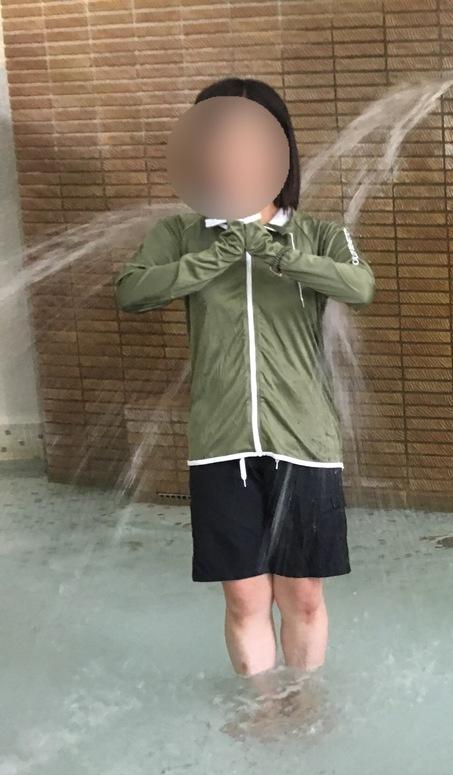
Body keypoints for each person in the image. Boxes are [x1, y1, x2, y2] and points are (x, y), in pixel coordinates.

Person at [115, 78, 375, 678]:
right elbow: (131, 291)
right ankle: (261, 709)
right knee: (244, 597)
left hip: (304, 440)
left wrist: (274, 248)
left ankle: (302, 703)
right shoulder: (180, 235)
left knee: (302, 596)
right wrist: (219, 252)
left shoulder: (317, 234)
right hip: (220, 440)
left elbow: (359, 286)